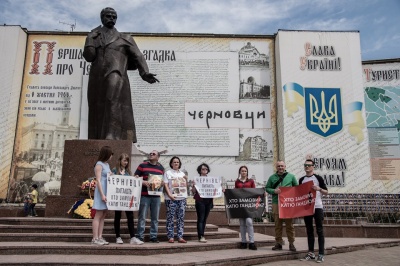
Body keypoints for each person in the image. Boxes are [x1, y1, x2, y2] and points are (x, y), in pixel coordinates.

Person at [83, 7, 159, 143]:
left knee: (112, 100)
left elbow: (138, 56)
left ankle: (113, 134)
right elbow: (89, 57)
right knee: (96, 104)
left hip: (116, 72)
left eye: (114, 17)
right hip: (96, 76)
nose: (111, 19)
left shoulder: (125, 38)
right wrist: (89, 39)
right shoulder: (95, 37)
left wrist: (144, 72)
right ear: (102, 18)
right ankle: (96, 137)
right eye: (108, 16)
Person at [299, 159, 328, 263]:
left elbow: (326, 192)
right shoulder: (301, 179)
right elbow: (299, 194)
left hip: (318, 207)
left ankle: (321, 254)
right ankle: (311, 253)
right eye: (305, 165)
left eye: (309, 165)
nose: (307, 167)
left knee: (319, 230)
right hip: (307, 208)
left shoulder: (318, 178)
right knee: (309, 231)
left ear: (313, 167)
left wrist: (319, 189)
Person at [265, 160, 298, 251]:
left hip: (288, 204)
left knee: (289, 225)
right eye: (279, 166)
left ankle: (291, 243)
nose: (280, 168)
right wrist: (274, 191)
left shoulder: (291, 176)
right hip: (276, 203)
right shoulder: (272, 178)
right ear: (276, 167)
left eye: (282, 166)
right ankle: (278, 243)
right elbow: (267, 188)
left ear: (285, 167)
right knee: (277, 224)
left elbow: (297, 188)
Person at [112, 153, 143, 245]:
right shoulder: (115, 170)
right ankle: (118, 236)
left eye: (127, 161)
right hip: (118, 197)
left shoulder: (128, 172)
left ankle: (132, 237)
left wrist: (135, 178)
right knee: (117, 216)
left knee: (130, 216)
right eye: (124, 160)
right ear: (120, 161)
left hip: (127, 198)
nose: (126, 162)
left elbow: (131, 183)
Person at [135, 150, 164, 243]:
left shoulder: (161, 168)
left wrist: (162, 183)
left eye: (153, 154)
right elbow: (135, 177)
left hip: (156, 196)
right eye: (150, 153)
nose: (151, 154)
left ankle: (153, 236)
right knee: (142, 216)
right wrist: (142, 182)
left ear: (158, 157)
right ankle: (139, 236)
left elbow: (161, 180)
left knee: (155, 218)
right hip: (144, 195)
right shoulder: (142, 165)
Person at [91, 145, 113, 245]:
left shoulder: (107, 165)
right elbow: (98, 180)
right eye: (110, 154)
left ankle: (100, 236)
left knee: (103, 215)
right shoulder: (99, 164)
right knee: (98, 214)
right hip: (101, 191)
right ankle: (94, 238)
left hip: (107, 190)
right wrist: (102, 194)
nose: (111, 156)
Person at [163, 156, 188, 243]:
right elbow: (165, 185)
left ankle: (180, 236)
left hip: (182, 198)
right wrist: (169, 195)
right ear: (171, 164)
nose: (176, 163)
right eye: (174, 162)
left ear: (179, 164)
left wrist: (186, 181)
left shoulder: (182, 174)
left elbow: (184, 187)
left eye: (177, 162)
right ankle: (170, 236)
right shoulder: (167, 173)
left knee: (180, 217)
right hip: (171, 198)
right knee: (170, 217)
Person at [235, 166, 257, 250]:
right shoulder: (237, 182)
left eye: (245, 171)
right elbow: (235, 192)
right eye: (242, 171)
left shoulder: (251, 181)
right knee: (242, 224)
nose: (243, 172)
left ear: (247, 172)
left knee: (249, 222)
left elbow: (255, 191)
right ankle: (243, 242)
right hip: (240, 205)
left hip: (249, 205)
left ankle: (251, 242)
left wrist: (262, 193)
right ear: (240, 172)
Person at [192, 163, 213, 243]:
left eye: (206, 169)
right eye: (203, 169)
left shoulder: (211, 179)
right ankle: (200, 236)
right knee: (201, 218)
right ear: (200, 170)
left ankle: (202, 234)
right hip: (200, 200)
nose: (205, 170)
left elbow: (215, 189)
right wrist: (194, 186)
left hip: (208, 200)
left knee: (204, 219)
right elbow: (193, 192)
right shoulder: (197, 179)